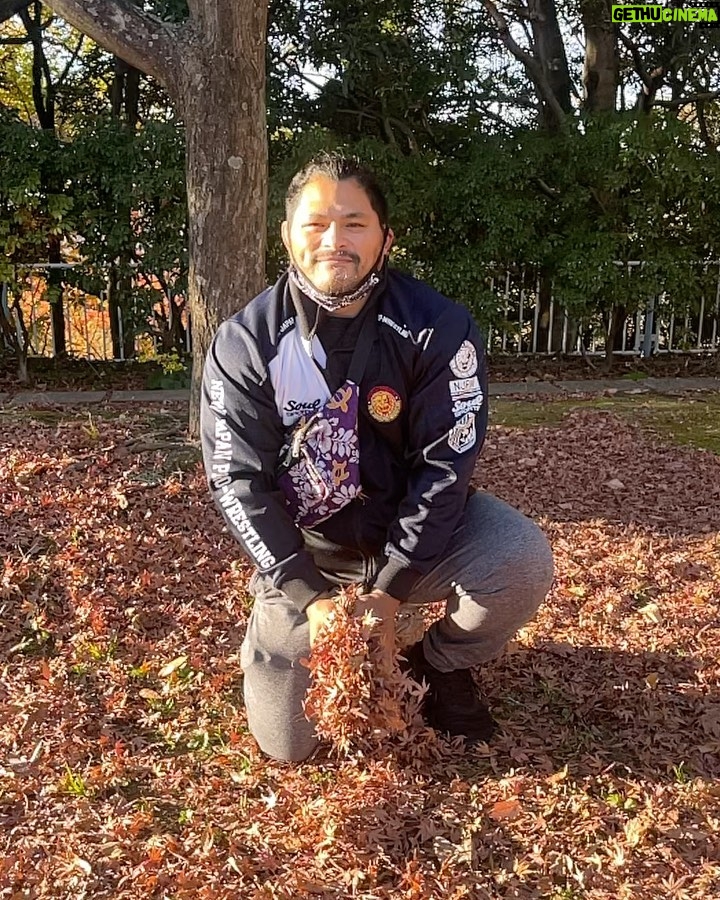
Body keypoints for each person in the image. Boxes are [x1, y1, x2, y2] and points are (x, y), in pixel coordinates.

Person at [201, 153, 553, 762]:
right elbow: (237, 481)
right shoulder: (245, 343)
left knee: (520, 559)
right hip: (310, 555)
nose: (334, 240)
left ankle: (438, 661)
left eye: (354, 223)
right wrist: (308, 594)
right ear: (286, 235)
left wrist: (391, 591)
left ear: (385, 238)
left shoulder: (439, 327)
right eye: (315, 223)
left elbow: (447, 467)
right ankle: (283, 628)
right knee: (288, 746)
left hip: (415, 543)